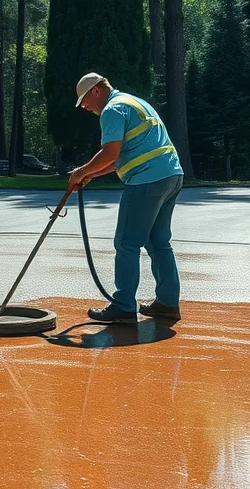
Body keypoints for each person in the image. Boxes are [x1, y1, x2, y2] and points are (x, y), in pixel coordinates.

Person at [67, 72, 184, 324]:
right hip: (171, 176)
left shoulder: (112, 109)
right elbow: (120, 157)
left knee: (127, 243)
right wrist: (91, 175)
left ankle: (123, 305)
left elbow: (110, 153)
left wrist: (81, 172)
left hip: (147, 181)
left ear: (97, 90)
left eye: (85, 101)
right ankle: (167, 303)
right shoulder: (135, 103)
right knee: (158, 242)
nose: (85, 107)